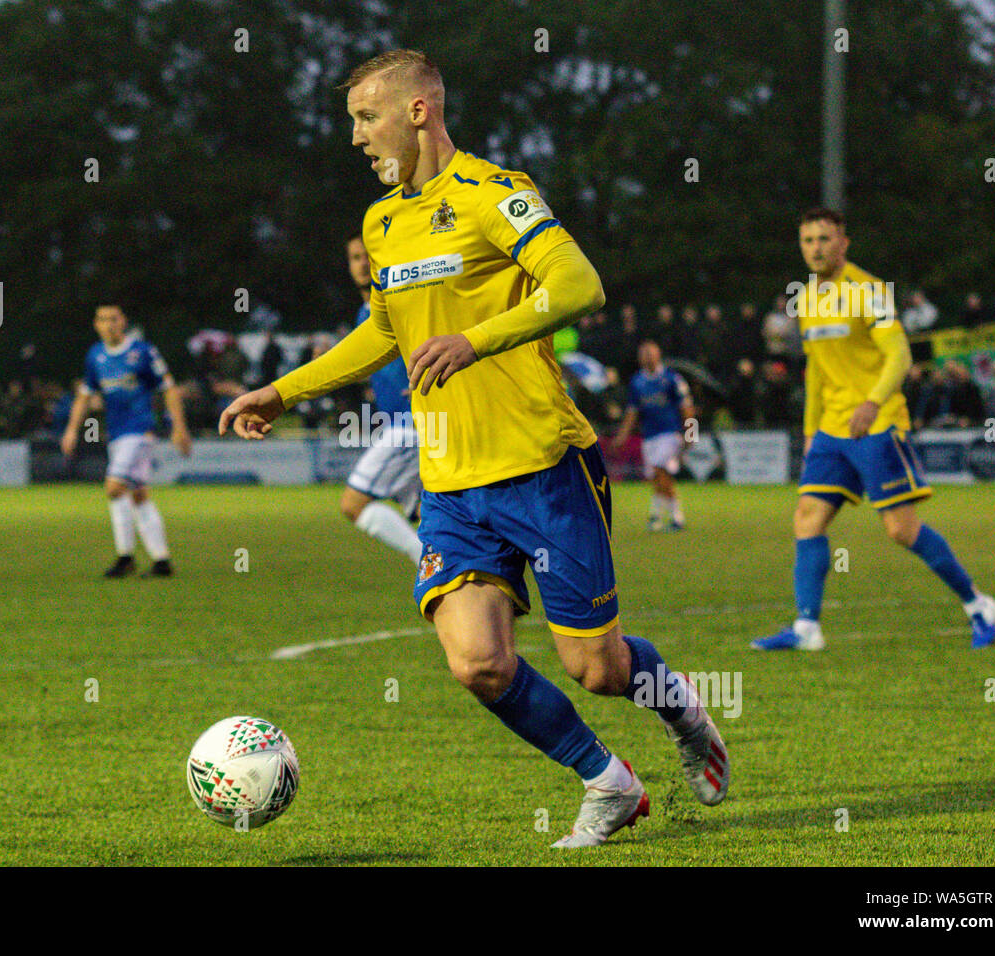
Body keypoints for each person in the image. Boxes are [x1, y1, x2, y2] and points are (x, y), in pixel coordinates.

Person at [219, 49, 729, 847]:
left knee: (596, 668)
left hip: (543, 466)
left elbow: (579, 286)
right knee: (478, 663)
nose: (355, 137)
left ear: (418, 111)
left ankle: (686, 716)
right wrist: (283, 391)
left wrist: (476, 340)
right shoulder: (382, 222)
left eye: (366, 117)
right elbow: (383, 331)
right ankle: (609, 783)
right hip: (452, 482)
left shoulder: (498, 194)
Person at [753, 209, 995, 651]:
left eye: (824, 238)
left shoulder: (869, 292)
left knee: (900, 529)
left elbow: (900, 356)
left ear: (843, 243)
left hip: (879, 423)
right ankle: (807, 628)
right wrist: (811, 431)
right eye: (807, 240)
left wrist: (872, 402)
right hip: (831, 428)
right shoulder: (806, 299)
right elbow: (817, 372)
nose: (816, 247)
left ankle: (979, 604)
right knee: (808, 517)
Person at [61, 305, 192, 578]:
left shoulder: (142, 352)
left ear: (123, 322)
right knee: (138, 494)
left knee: (114, 487)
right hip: (117, 434)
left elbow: (168, 388)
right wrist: (72, 430)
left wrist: (179, 427)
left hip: (141, 431)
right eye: (102, 320)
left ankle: (125, 557)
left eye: (114, 319)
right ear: (96, 325)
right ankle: (162, 561)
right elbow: (85, 395)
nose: (108, 324)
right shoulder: (95, 355)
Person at [339, 234, 423, 563]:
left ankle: (430, 565)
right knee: (427, 514)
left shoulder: (398, 303)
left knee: (353, 504)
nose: (362, 264)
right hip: (400, 423)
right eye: (355, 257)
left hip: (413, 423)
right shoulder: (366, 312)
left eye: (368, 256)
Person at [609, 341, 695, 531]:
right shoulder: (637, 382)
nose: (647, 356)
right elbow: (632, 412)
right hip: (649, 436)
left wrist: (691, 433)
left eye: (650, 353)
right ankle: (657, 517)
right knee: (656, 476)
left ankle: (676, 518)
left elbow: (687, 407)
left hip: (669, 433)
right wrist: (622, 435)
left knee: (658, 470)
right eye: (644, 353)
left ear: (658, 355)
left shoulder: (672, 379)